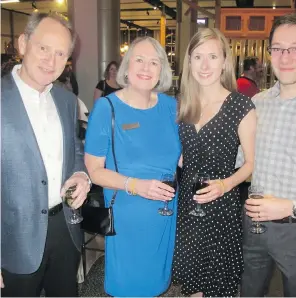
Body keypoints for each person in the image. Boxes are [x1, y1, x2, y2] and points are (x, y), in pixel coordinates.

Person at [239, 13, 296, 297]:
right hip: (253, 226)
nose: (285, 56)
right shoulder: (257, 103)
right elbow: (240, 161)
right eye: (278, 48)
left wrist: (292, 206)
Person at [1, 12, 91, 297]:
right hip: (12, 240)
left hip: (65, 230)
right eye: (43, 48)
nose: (50, 61)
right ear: (23, 43)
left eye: (60, 53)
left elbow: (75, 148)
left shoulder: (66, 100)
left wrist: (80, 173)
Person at [84, 36, 181, 297]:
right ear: (127, 66)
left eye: (154, 62)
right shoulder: (107, 109)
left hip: (165, 210)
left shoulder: (172, 107)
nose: (146, 68)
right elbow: (94, 171)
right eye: (139, 60)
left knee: (159, 283)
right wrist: (137, 185)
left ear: (162, 70)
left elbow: (180, 156)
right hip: (128, 212)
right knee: (130, 286)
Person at [172, 28, 257, 297]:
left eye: (212, 56)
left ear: (224, 61)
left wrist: (225, 184)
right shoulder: (182, 103)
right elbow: (179, 153)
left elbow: (251, 164)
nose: (205, 65)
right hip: (187, 203)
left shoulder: (241, 106)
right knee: (192, 284)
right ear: (189, 62)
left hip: (221, 206)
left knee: (217, 284)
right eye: (197, 57)